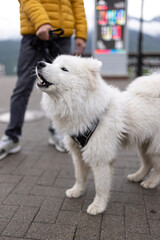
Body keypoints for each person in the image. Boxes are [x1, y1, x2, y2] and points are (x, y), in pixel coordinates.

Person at [0, 0, 87, 160]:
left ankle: (58, 133)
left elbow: (77, 3)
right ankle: (11, 137)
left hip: (62, 34)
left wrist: (81, 33)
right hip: (33, 31)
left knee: (62, 87)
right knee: (23, 86)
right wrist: (41, 21)